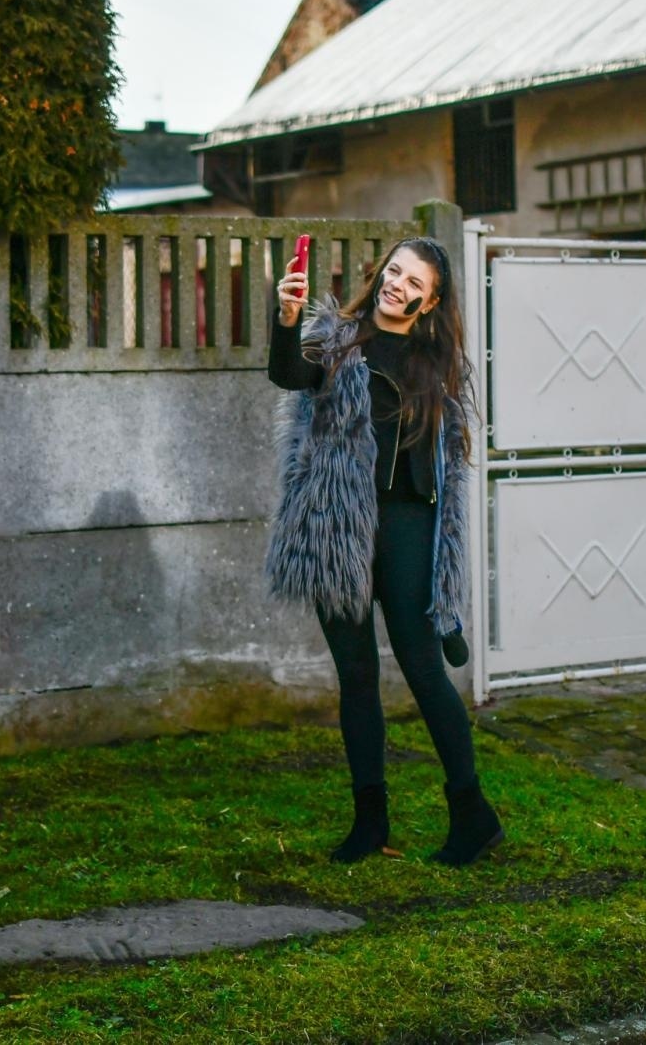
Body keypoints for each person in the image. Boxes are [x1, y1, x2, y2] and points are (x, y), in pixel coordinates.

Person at [265, 236, 503, 866]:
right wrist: (286, 322)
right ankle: (371, 821)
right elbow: (289, 373)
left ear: (430, 300)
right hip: (336, 525)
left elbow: (445, 466)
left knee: (424, 670)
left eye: (415, 281)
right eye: (395, 271)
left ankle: (472, 813)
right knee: (358, 676)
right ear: (381, 274)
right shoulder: (337, 339)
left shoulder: (437, 362)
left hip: (406, 523)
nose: (400, 284)